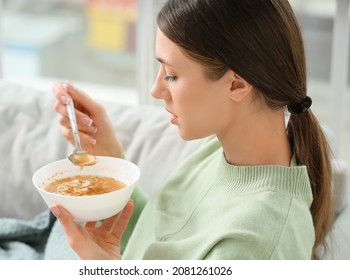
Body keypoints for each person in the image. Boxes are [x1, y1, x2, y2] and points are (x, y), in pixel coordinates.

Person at [51, 0, 333, 260]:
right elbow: (162, 240)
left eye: (171, 75)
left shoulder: (256, 245)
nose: (156, 90)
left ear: (237, 84)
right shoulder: (221, 148)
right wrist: (111, 158)